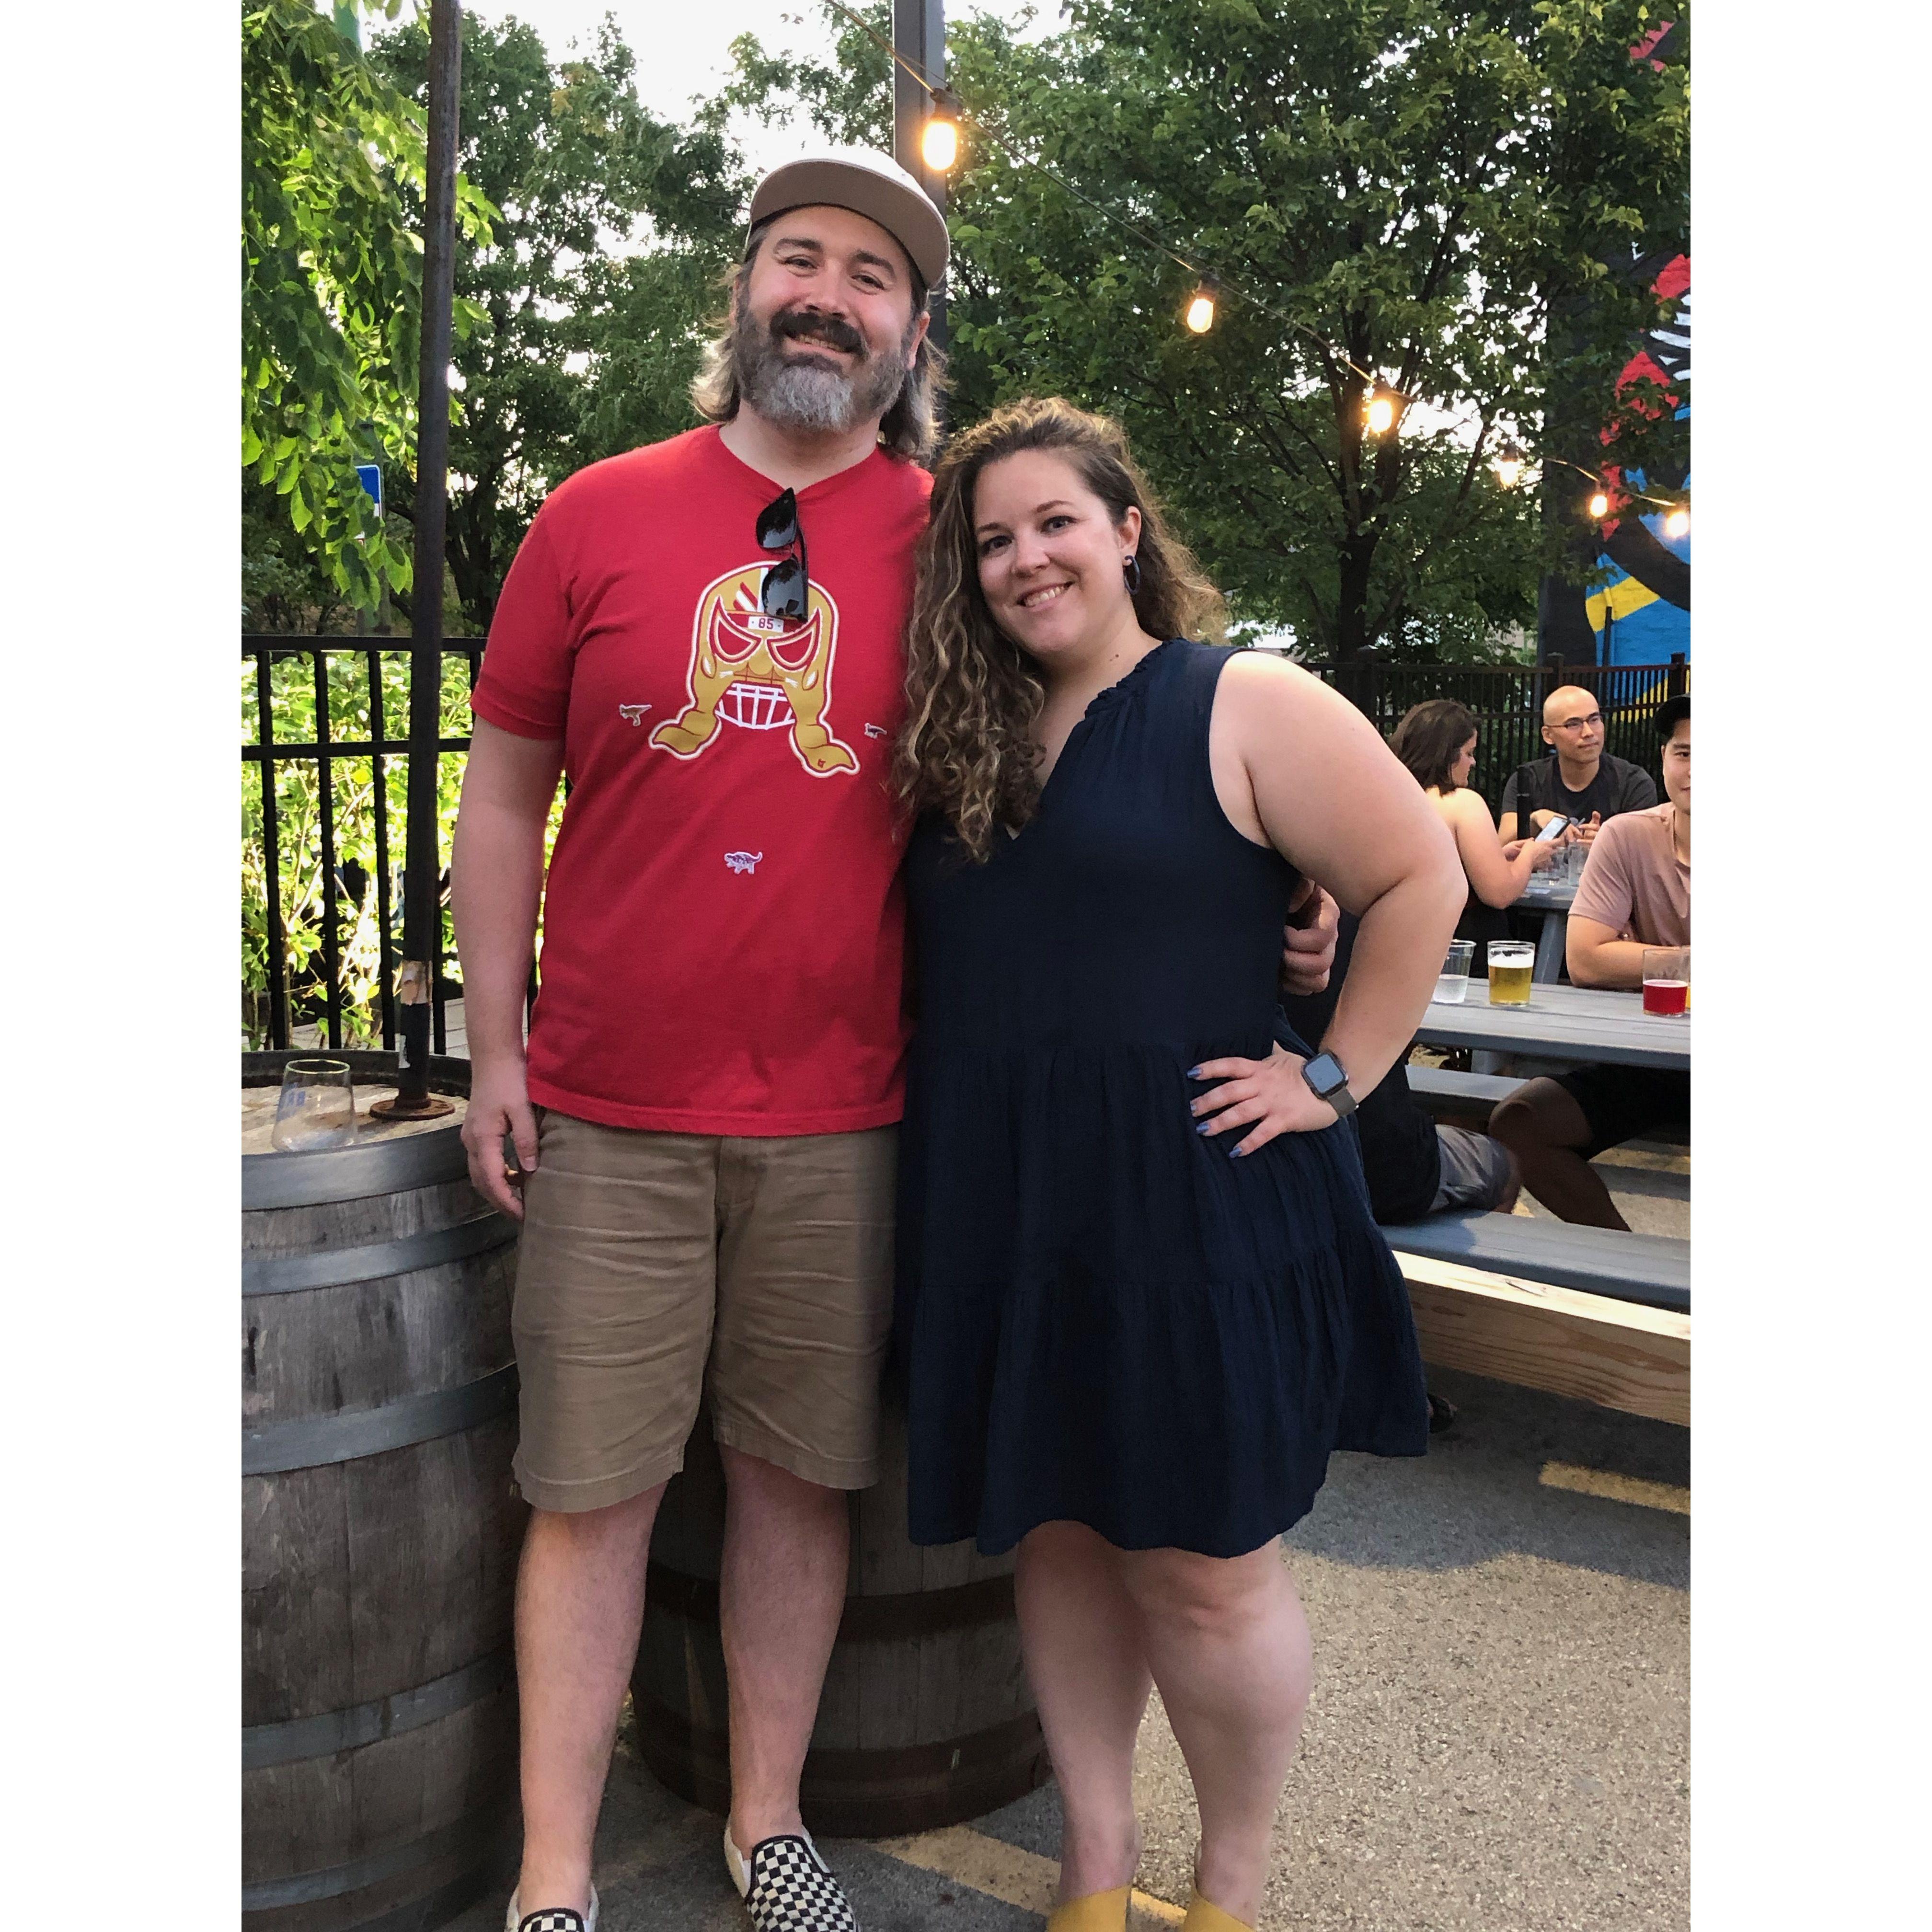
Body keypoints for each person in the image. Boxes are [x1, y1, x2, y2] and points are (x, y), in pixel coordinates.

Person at [450, 150, 1338, 1932]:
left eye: (873, 276)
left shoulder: (958, 540)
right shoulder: (594, 515)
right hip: (609, 1102)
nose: (829, 294)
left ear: (912, 333)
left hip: (859, 1111)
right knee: (590, 1493)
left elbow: (1114, 736)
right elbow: (503, 786)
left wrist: (1278, 892)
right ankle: (555, 1877)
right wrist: (493, 1048)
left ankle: (769, 1825)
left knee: (799, 1489)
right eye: (800, 256)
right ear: (744, 288)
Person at [893, 398, 1465, 1932]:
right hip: (1010, 1198)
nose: (1026, 559)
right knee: (1061, 1528)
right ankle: (1094, 1868)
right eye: (994, 541)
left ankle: (1229, 1889)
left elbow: (1419, 875)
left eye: (1056, 523)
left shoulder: (1243, 701)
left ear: (1128, 531)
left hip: (1191, 1202)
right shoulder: (965, 733)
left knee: (1207, 1565)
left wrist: (1332, 1075)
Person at [1489, 695, 1690, 1227]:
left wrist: (1637, 955)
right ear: (1666, 759)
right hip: (1654, 1052)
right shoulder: (1631, 834)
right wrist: (1689, 962)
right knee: (1519, 1123)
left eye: (1595, 720)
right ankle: (1632, 1267)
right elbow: (1585, 960)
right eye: (1685, 753)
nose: (1695, 769)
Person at [1392, 698, 1561, 973]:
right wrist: (1530, 856)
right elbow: (1499, 893)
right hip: (1460, 946)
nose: (1473, 762)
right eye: (1469, 753)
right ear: (1446, 754)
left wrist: (1496, 857)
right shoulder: (1462, 802)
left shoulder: (1392, 799)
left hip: (1399, 941)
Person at [1496, 682, 1657, 844]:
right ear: (1548, 735)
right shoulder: (1529, 779)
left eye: (1594, 720)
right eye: (1574, 724)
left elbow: (1643, 850)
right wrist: (1534, 820)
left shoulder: (1633, 783)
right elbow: (1503, 844)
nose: (1588, 732)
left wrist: (1608, 844)